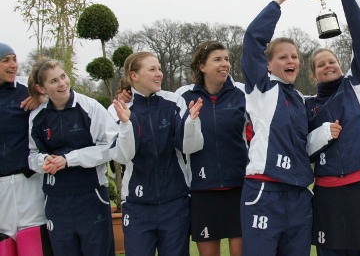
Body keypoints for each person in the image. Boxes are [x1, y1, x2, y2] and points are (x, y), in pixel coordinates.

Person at [304, 0, 360, 256]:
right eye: (321, 64)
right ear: (312, 73)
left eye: (332, 61)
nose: (328, 66)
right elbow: (301, 148)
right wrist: (323, 133)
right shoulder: (306, 105)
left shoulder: (358, 85)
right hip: (326, 190)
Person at [240, 0, 314, 256]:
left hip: (298, 194)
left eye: (294, 57)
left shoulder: (300, 100)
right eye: (283, 57)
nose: (291, 61)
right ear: (268, 65)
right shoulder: (263, 87)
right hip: (265, 190)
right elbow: (252, 39)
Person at [110, 51, 204, 256]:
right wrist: (126, 125)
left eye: (159, 68)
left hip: (175, 201)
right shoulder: (118, 109)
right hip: (137, 204)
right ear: (134, 76)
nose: (159, 74)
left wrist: (192, 123)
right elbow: (122, 156)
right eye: (152, 69)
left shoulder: (174, 102)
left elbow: (188, 147)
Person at [27, 59, 117, 256]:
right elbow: (32, 156)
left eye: (63, 76)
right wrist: (44, 162)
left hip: (91, 196)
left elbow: (111, 147)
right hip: (56, 200)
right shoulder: (37, 117)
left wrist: (70, 159)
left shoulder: (90, 107)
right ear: (41, 88)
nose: (62, 83)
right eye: (53, 81)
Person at [175, 41, 247, 256]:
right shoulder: (183, 95)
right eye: (217, 59)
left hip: (240, 188)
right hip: (202, 192)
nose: (225, 63)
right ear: (202, 66)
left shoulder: (243, 92)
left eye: (226, 59)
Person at [0, 43, 53, 256]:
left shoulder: (26, 89)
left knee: (33, 243)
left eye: (14, 59)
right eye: (6, 60)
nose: (13, 65)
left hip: (28, 182)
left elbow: (61, 95)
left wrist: (42, 97)